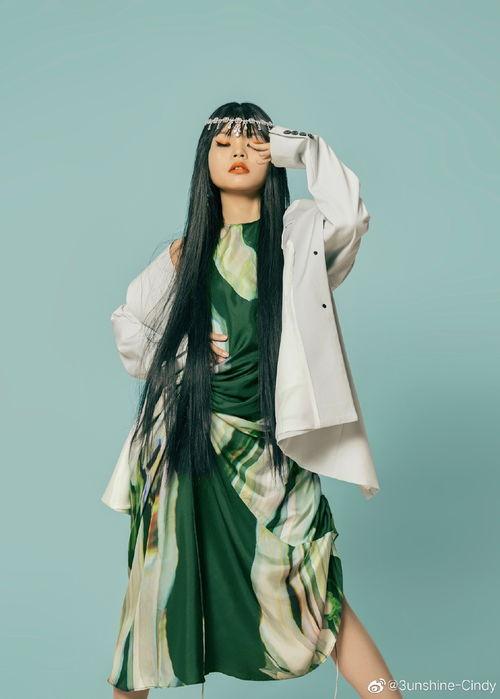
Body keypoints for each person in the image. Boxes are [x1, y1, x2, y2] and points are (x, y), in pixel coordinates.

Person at [103, 102, 402, 699]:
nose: (239, 151)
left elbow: (351, 215)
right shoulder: (183, 255)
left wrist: (299, 148)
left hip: (271, 446)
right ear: (204, 161)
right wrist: (181, 353)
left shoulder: (300, 240)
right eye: (224, 143)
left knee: (312, 585)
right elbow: (128, 324)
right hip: (189, 446)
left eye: (252, 142)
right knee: (155, 596)